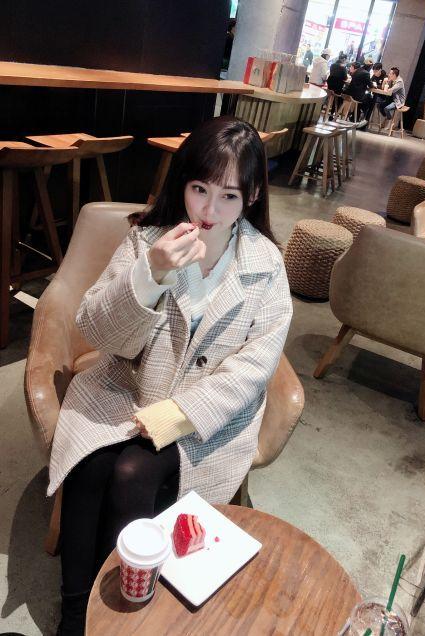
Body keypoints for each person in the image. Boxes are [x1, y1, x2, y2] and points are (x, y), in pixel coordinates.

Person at [49, 116, 293, 635]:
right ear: (183, 182)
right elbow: (99, 331)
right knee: (89, 466)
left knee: (132, 473)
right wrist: (152, 274)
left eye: (228, 196)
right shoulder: (147, 241)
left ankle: (119, 617)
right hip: (126, 388)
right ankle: (75, 616)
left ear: (251, 196)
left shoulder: (266, 264)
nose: (208, 210)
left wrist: (180, 414)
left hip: (205, 417)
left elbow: (255, 365)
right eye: (200, 189)